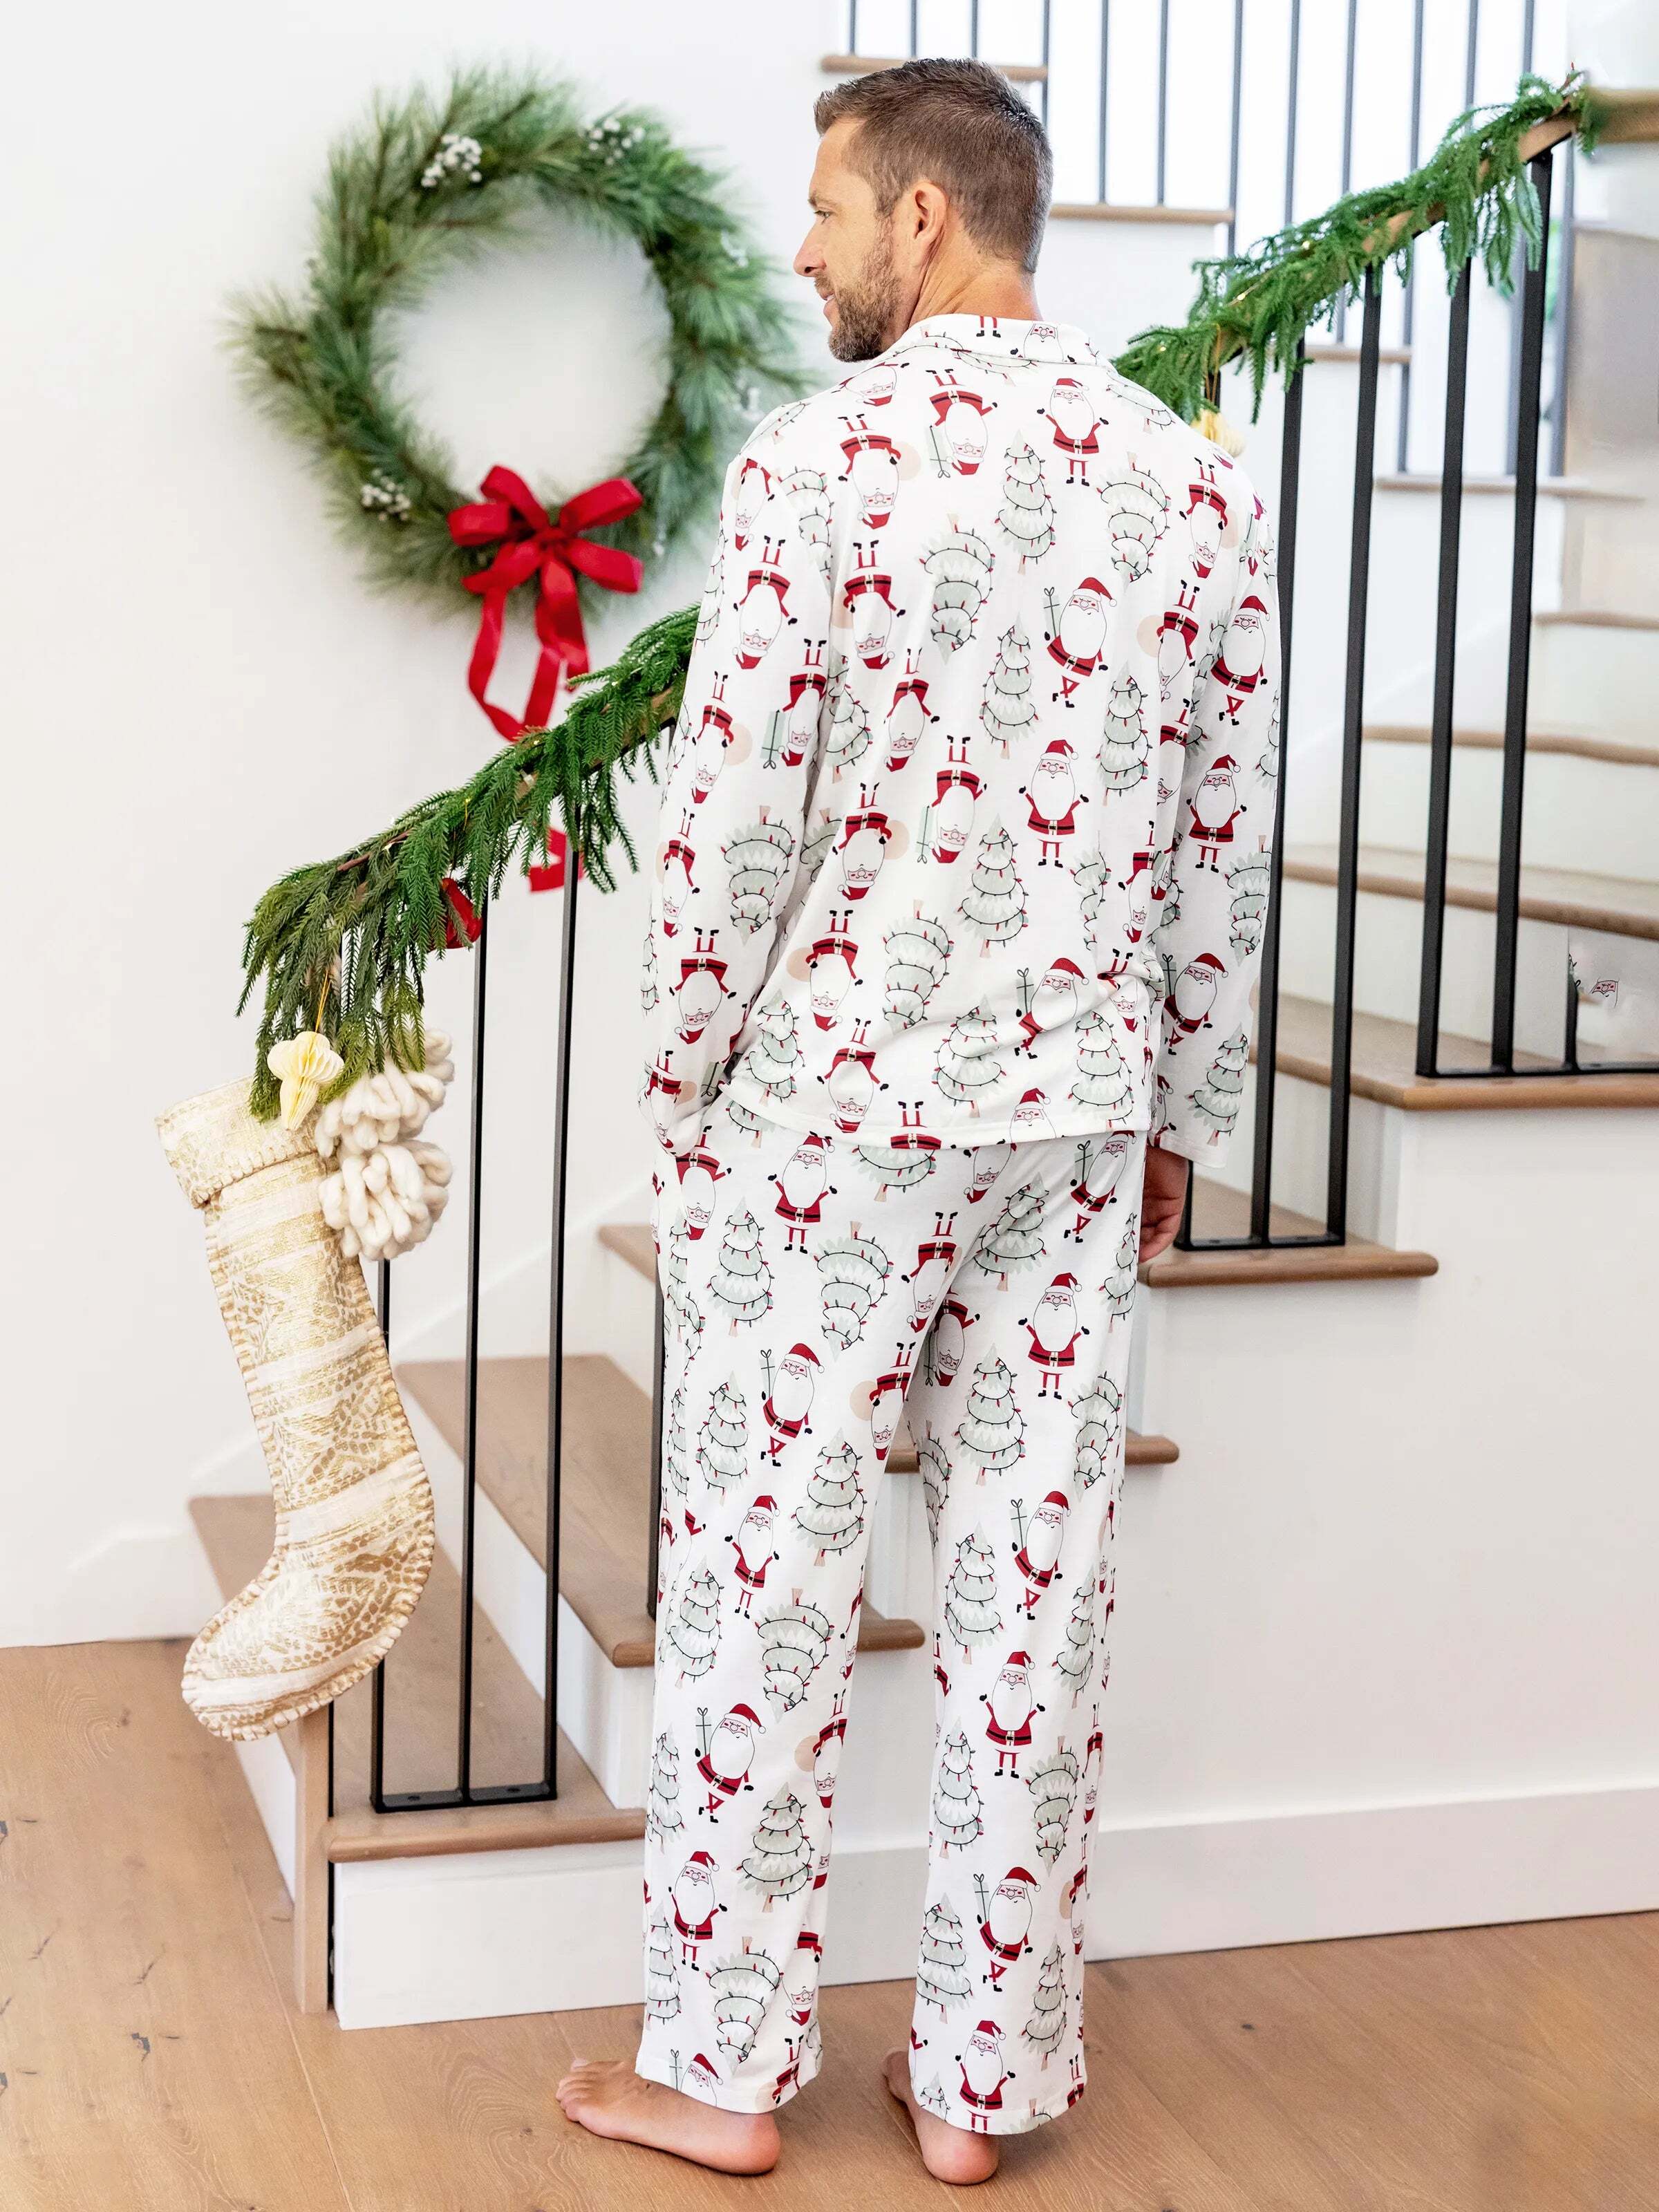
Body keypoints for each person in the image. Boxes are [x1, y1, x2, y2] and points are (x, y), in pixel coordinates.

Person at [558, 54, 1279, 2186]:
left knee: (765, 1586)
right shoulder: (1191, 485)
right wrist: (1184, 1110)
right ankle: (982, 2088)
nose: (804, 250)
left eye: (825, 208)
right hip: (1078, 1114)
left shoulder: (818, 468)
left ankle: (723, 2072)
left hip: (839, 1118)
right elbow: (1221, 842)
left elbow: (733, 831)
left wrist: (684, 1087)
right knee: (1032, 1599)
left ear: (925, 218)